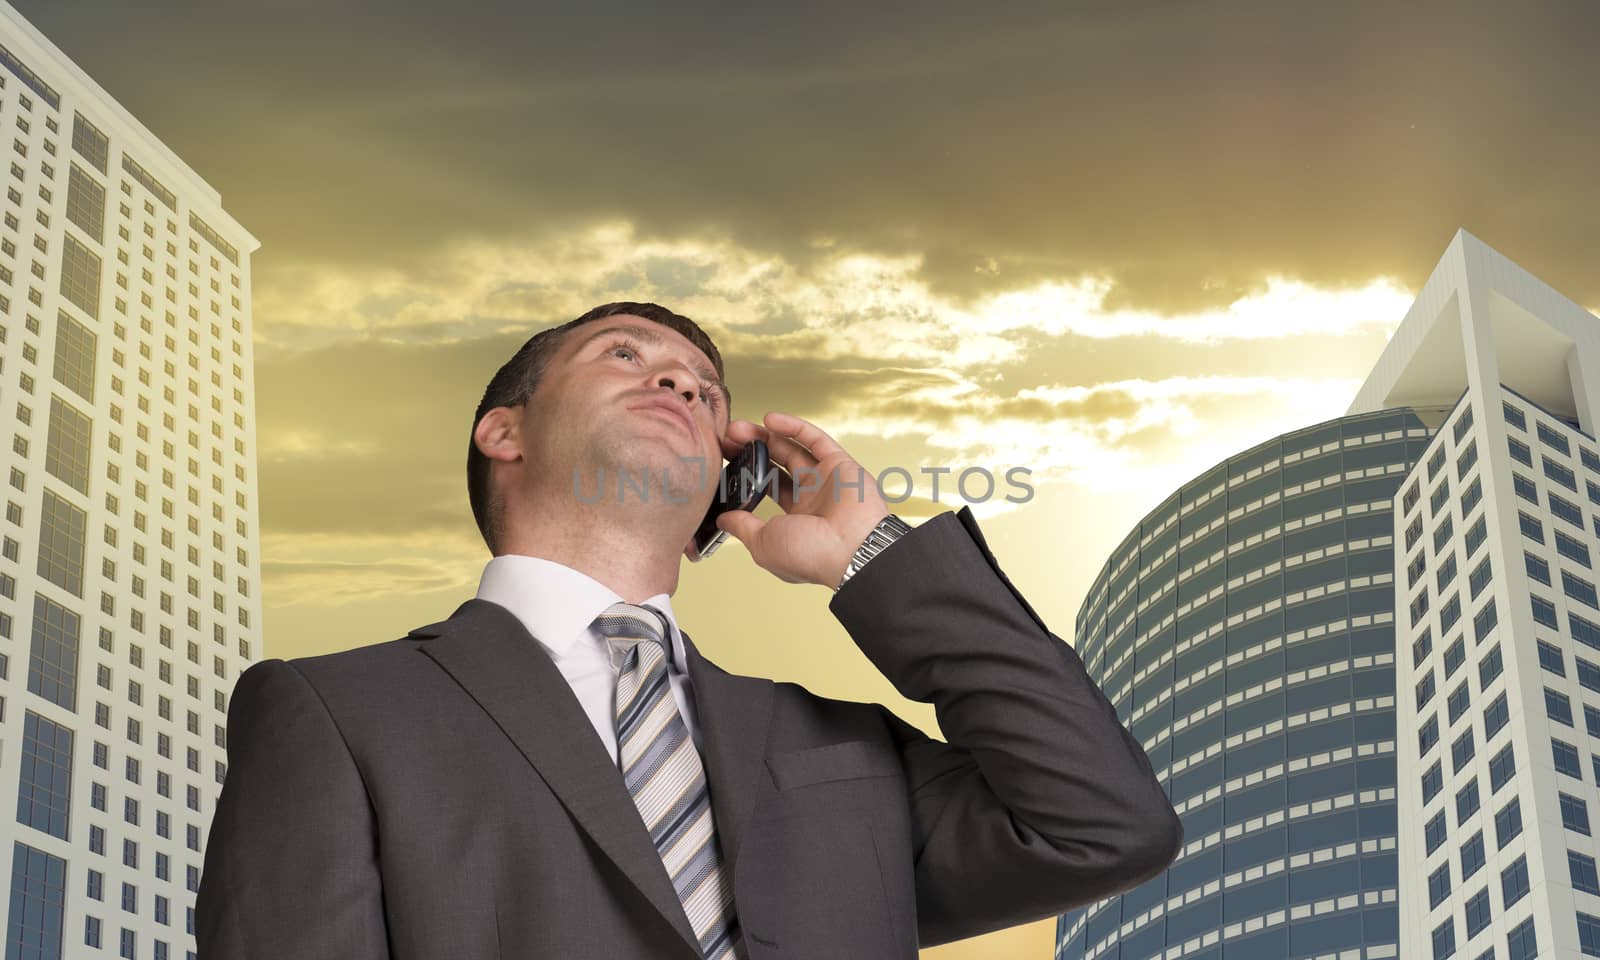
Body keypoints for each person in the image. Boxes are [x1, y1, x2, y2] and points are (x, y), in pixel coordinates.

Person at [195, 301, 1182, 959]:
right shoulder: (337, 710)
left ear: (725, 484)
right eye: (625, 355)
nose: (679, 386)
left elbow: (1101, 825)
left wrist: (867, 551)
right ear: (505, 431)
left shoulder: (838, 750)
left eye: (706, 394)